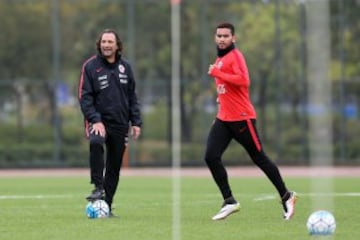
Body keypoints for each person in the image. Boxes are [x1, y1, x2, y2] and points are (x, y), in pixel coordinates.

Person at [204, 22, 296, 221]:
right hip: (224, 119)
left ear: (233, 38)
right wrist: (219, 112)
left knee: (259, 157)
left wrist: (218, 73)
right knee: (211, 156)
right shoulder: (219, 60)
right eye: (218, 35)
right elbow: (225, 92)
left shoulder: (235, 56)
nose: (221, 39)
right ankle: (229, 201)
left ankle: (287, 196)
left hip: (242, 118)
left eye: (226, 36)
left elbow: (244, 81)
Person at [78, 29, 142, 216]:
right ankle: (98, 186)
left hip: (120, 123)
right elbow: (84, 97)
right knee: (96, 142)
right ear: (99, 44)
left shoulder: (126, 67)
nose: (106, 45)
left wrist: (136, 121)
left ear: (117, 45)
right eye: (103, 41)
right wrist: (95, 120)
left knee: (114, 166)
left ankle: (106, 206)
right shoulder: (90, 66)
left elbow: (132, 97)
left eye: (110, 42)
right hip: (98, 121)